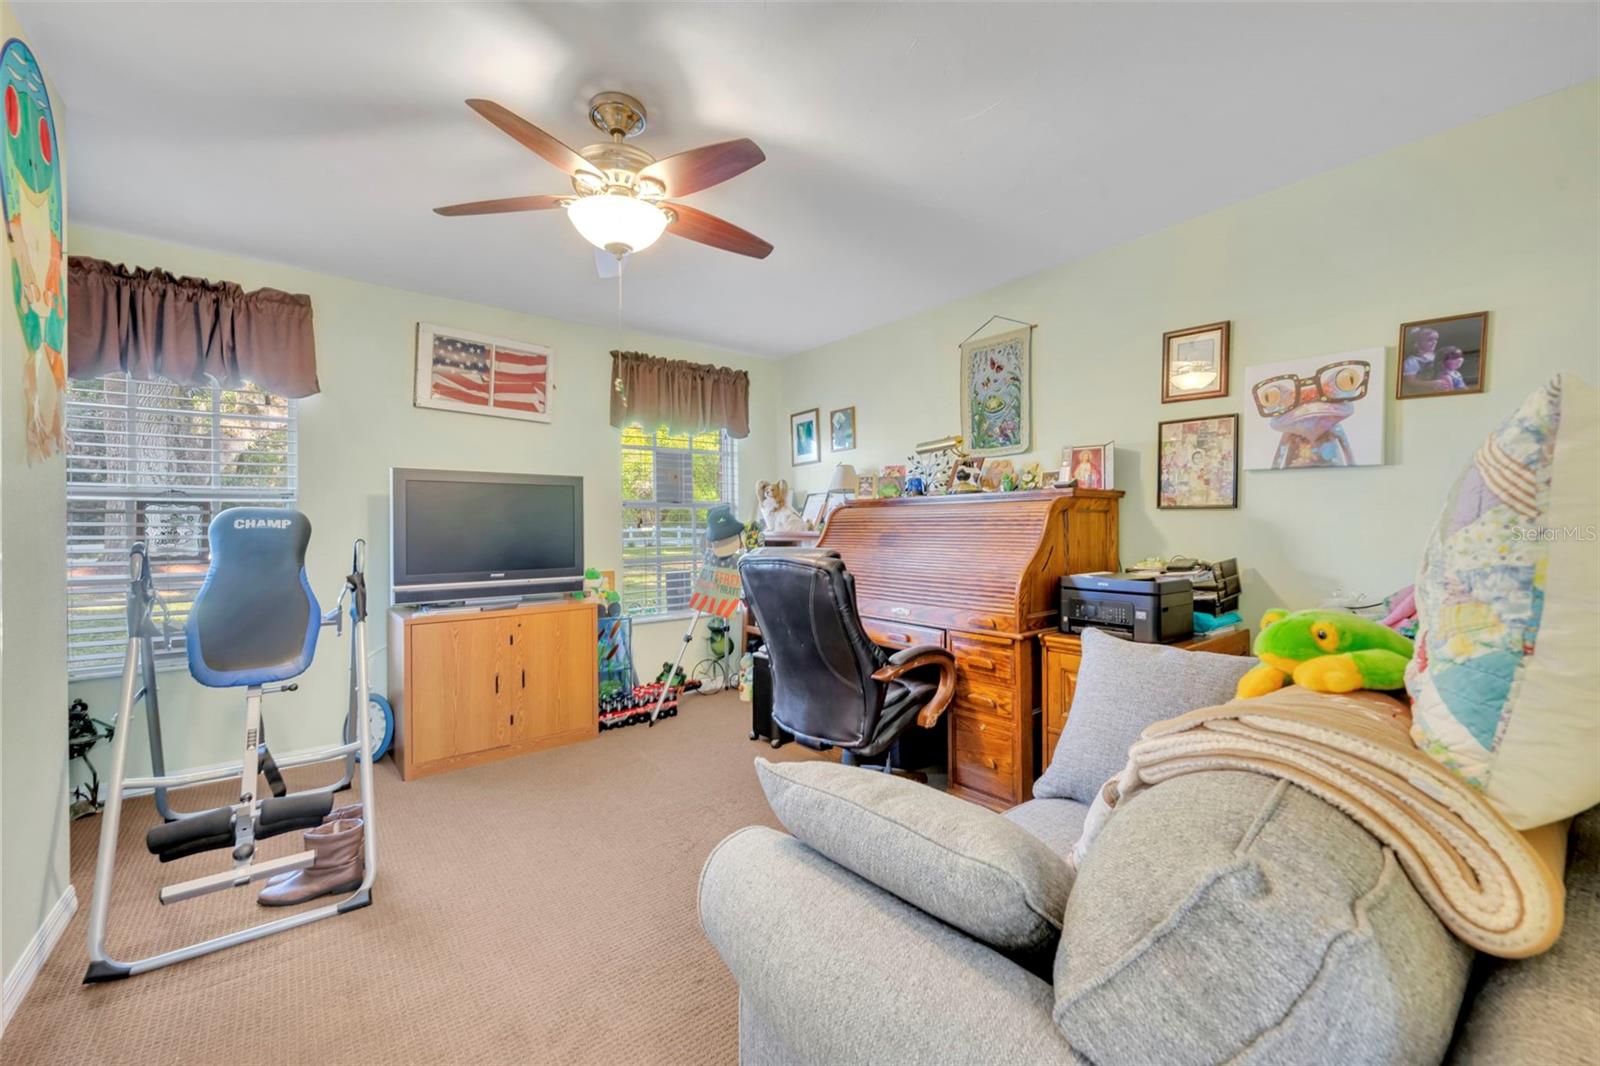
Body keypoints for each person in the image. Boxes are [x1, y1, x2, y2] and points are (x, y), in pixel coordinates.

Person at [1402, 327, 1443, 393]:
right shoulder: (1412, 361)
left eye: (1435, 339)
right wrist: (1432, 383)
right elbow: (1410, 381)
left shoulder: (1437, 356)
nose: (1434, 342)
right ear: (1417, 344)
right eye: (1429, 340)